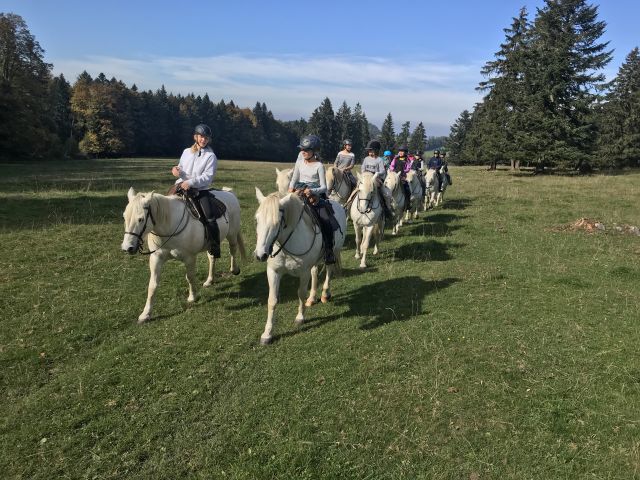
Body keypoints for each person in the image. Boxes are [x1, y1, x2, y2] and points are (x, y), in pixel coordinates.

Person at [171, 123, 221, 257]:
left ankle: (214, 245)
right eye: (201, 137)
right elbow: (181, 167)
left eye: (206, 137)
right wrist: (176, 170)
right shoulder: (186, 152)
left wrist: (191, 182)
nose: (203, 140)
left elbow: (208, 177)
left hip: (200, 190)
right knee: (165, 204)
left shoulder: (211, 156)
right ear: (195, 137)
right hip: (181, 185)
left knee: (210, 217)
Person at [288, 135, 337, 264]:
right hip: (299, 192)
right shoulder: (299, 163)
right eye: (302, 149)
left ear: (314, 151)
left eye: (306, 149)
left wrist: (312, 191)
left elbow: (324, 187)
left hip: (314, 195)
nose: (303, 151)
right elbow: (293, 180)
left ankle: (328, 250)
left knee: (326, 220)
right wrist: (290, 189)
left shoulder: (319, 166)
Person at [360, 140, 395, 220]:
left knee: (386, 194)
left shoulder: (379, 160)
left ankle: (387, 209)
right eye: (369, 151)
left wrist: (377, 174)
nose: (369, 152)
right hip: (366, 178)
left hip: (376, 179)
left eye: (371, 151)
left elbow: (382, 171)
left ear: (376, 150)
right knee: (357, 189)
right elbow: (362, 168)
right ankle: (349, 204)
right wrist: (364, 173)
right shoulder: (366, 159)